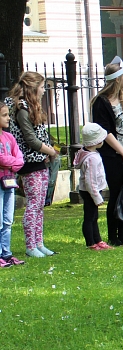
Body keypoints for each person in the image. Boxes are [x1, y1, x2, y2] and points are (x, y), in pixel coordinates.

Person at [5, 72, 60, 257]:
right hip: (30, 163)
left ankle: (39, 242)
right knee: (33, 204)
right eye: (42, 87)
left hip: (40, 161)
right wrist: (51, 151)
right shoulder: (22, 110)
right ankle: (30, 246)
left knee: (39, 206)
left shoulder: (30, 108)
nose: (44, 91)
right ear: (33, 88)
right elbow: (31, 139)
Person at [91, 56, 123, 247]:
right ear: (116, 78)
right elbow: (105, 131)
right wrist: (122, 153)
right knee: (116, 193)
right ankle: (113, 235)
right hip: (113, 155)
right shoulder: (101, 102)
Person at [73, 123, 111, 250]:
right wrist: (97, 197)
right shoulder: (92, 159)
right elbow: (90, 181)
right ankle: (91, 242)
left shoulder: (87, 154)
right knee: (89, 217)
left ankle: (97, 239)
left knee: (94, 216)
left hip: (90, 190)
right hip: (90, 191)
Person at [0, 102, 25, 266]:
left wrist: (12, 163)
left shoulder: (9, 137)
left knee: (8, 220)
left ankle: (6, 253)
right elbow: (1, 158)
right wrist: (12, 162)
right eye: (4, 115)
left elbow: (20, 158)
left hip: (9, 183)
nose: (9, 118)